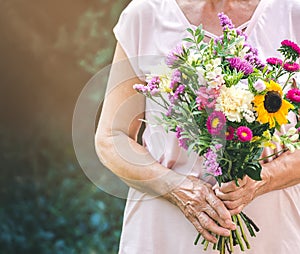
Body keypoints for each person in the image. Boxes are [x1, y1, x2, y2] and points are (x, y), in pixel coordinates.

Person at [95, 0, 300, 253]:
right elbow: (111, 137)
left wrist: (263, 179)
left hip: (272, 232)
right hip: (163, 234)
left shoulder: (292, 12)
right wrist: (177, 188)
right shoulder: (145, 14)